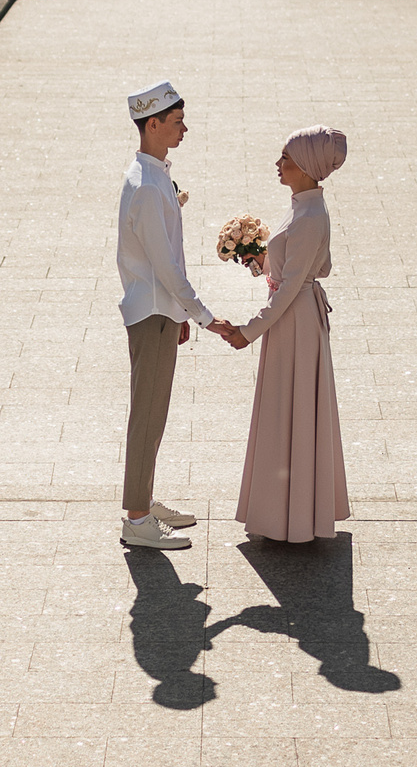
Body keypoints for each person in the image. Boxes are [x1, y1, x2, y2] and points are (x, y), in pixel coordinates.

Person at [211, 126, 350, 543]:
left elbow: (290, 288)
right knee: (285, 410)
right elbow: (285, 273)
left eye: (286, 158)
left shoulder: (309, 216)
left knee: (287, 409)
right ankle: (288, 513)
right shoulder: (302, 207)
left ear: (306, 167)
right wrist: (256, 260)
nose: (278, 164)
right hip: (292, 322)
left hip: (295, 324)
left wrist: (248, 332)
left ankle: (291, 518)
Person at [118, 80, 217, 551]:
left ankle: (144, 500)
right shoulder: (146, 186)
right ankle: (137, 519)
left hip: (159, 311)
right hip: (152, 311)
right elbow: (167, 266)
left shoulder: (152, 175)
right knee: (148, 413)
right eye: (176, 122)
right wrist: (203, 316)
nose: (184, 129)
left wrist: (179, 314)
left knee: (154, 411)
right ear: (152, 124)